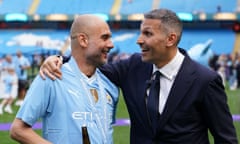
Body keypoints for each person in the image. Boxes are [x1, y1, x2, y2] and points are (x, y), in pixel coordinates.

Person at [39, 9, 238, 143]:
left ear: (170, 39)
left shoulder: (205, 80)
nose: (139, 40)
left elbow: (226, 140)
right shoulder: (133, 66)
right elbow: (92, 64)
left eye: (148, 34)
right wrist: (59, 58)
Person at [10, 14, 119, 144]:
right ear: (83, 40)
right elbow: (18, 130)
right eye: (105, 38)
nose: (111, 44)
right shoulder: (51, 76)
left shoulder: (110, 84)